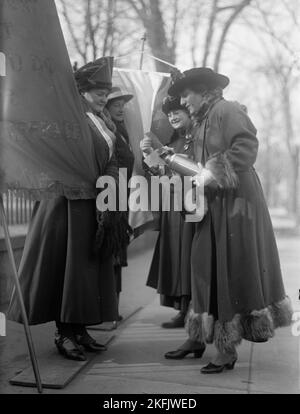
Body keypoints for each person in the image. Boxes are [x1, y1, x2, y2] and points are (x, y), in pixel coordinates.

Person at [165, 67, 293, 373]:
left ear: (203, 91)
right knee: (202, 267)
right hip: (211, 203)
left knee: (227, 270)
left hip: (235, 202)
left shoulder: (227, 110)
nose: (184, 101)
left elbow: (246, 148)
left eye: (187, 95)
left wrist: (212, 172)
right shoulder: (201, 119)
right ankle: (197, 337)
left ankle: (226, 349)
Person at [8, 57, 121, 361]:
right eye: (98, 91)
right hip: (64, 207)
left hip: (91, 203)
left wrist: (107, 181)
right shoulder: (69, 120)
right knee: (67, 269)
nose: (103, 97)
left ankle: (79, 329)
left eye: (106, 92)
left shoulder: (105, 122)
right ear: (82, 91)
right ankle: (64, 333)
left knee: (83, 272)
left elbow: (112, 157)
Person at [140, 97, 200, 338]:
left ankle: (192, 308)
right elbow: (161, 171)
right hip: (173, 205)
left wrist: (170, 160)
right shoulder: (173, 139)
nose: (173, 117)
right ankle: (182, 308)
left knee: (189, 256)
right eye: (170, 113)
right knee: (176, 256)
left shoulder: (196, 137)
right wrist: (149, 155)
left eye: (178, 112)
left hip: (192, 205)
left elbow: (197, 170)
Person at [106, 86, 135, 322]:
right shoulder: (106, 131)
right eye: (116, 105)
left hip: (122, 198)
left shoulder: (122, 131)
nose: (121, 109)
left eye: (122, 106)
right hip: (109, 198)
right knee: (111, 253)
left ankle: (112, 309)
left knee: (118, 255)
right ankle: (107, 310)